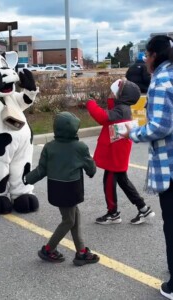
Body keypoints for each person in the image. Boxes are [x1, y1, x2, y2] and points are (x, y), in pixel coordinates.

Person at [122, 35, 173, 300]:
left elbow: (160, 127)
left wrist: (132, 132)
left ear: (153, 56)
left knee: (172, 223)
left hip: (170, 164)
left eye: (145, 56)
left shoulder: (161, 82)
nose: (145, 61)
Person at [24, 111, 99, 266]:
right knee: (69, 220)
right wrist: (91, 170)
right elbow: (91, 168)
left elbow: (41, 170)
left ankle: (81, 251)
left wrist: (27, 178)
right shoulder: (80, 147)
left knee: (74, 217)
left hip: (56, 189)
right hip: (71, 190)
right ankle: (48, 249)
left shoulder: (49, 147)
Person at [86, 78, 155, 225]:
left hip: (115, 156)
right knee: (123, 181)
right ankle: (143, 209)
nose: (111, 94)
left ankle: (113, 213)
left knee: (109, 183)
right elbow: (108, 114)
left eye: (113, 92)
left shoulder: (121, 110)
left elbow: (102, 117)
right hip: (117, 154)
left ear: (122, 96)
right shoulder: (121, 108)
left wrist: (90, 104)